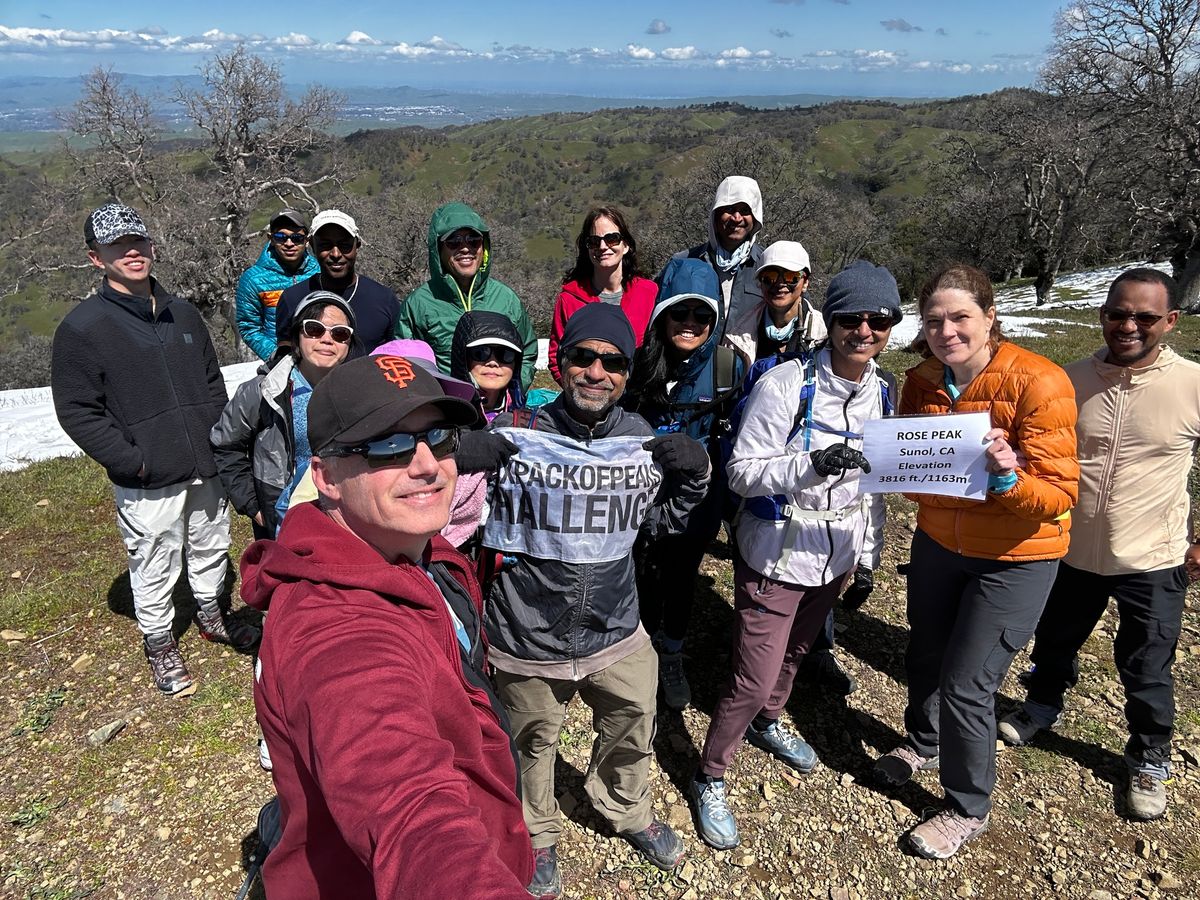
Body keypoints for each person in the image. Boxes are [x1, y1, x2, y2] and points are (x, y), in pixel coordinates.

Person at [241, 353, 534, 898]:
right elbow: (409, 809)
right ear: (325, 477)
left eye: (439, 438)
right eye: (386, 444)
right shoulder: (334, 628)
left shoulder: (411, 543)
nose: (427, 465)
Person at [479, 304, 709, 897]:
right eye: (583, 357)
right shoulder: (522, 432)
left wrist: (697, 476)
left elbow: (658, 527)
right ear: (561, 364)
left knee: (634, 721)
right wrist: (467, 462)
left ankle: (626, 810)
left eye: (612, 362)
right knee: (531, 740)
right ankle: (536, 833)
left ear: (628, 375)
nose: (596, 371)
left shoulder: (637, 439)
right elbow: (461, 519)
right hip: (528, 631)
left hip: (616, 625)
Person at [690, 260, 899, 850]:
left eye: (878, 319)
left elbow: (876, 486)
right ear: (829, 321)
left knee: (796, 656)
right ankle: (711, 772)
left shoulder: (882, 391)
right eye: (851, 318)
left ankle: (769, 722)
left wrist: (870, 556)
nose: (864, 330)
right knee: (752, 678)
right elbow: (741, 471)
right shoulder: (785, 384)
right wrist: (809, 465)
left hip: (833, 559)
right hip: (776, 557)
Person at [872, 263, 1078, 859]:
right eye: (934, 320)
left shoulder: (1040, 383)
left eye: (960, 317)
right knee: (927, 652)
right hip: (939, 545)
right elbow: (916, 480)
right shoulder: (922, 382)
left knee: (968, 683)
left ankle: (967, 805)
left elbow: (1060, 494)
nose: (947, 330)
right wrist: (893, 463)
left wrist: (1009, 478)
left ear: (990, 317)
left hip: (1015, 559)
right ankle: (924, 742)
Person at [998, 267, 1200, 821]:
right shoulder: (1066, 380)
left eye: (1145, 317)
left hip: (1153, 557)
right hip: (1069, 546)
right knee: (1055, 639)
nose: (1128, 325)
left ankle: (1150, 754)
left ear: (1171, 322)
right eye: (1117, 313)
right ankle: (1041, 704)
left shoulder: (1193, 384)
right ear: (1102, 314)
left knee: (1147, 664)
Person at [51, 202, 257, 696]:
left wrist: (218, 436)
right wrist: (132, 461)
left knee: (211, 542)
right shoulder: (82, 329)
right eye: (117, 246)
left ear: (150, 245)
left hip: (205, 461)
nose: (131, 252)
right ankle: (159, 640)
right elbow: (78, 411)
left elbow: (211, 383)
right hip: (147, 475)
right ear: (95, 258)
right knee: (153, 556)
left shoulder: (182, 314)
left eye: (137, 241)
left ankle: (212, 613)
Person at [623, 257, 745, 710]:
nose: (690, 323)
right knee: (638, 566)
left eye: (702, 315)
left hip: (700, 495)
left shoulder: (730, 368)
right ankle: (635, 649)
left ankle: (670, 651)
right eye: (680, 312)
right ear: (662, 314)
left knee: (681, 575)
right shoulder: (639, 364)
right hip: (643, 489)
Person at [211, 291, 355, 541]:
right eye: (314, 329)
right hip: (281, 520)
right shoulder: (262, 391)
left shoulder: (361, 392)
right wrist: (254, 507)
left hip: (345, 519)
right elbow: (225, 446)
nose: (326, 339)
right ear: (297, 336)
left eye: (339, 333)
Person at [396, 201, 538, 388]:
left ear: (484, 246)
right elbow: (403, 362)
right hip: (445, 409)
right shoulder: (418, 304)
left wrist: (514, 392)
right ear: (438, 250)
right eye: (453, 242)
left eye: (473, 240)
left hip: (500, 411)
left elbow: (527, 353)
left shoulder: (507, 299)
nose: (465, 248)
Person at [548, 206, 658, 383]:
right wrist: (580, 393)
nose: (602, 246)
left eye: (612, 239)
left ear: (626, 245)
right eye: (594, 241)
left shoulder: (649, 293)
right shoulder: (569, 299)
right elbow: (556, 357)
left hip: (640, 400)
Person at [274, 210, 400, 358]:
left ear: (357, 245)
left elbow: (397, 358)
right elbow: (285, 359)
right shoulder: (292, 299)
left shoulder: (384, 299)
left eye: (345, 245)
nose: (335, 254)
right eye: (325, 245)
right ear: (313, 247)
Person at [661, 175, 764, 335]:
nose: (737, 218)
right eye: (729, 209)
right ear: (715, 215)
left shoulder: (767, 265)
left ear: (755, 217)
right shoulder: (683, 262)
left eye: (745, 211)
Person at [235, 208, 321, 361]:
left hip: (321, 357)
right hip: (280, 363)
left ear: (307, 240)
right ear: (271, 239)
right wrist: (276, 355)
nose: (289, 243)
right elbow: (249, 327)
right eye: (281, 237)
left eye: (297, 238)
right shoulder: (252, 280)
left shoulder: (320, 272)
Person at [722, 238, 826, 363]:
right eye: (770, 277)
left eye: (791, 276)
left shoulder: (825, 334)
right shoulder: (737, 337)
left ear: (805, 282)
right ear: (760, 282)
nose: (780, 284)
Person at [449, 310, 528, 423]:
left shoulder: (527, 424)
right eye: (480, 353)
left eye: (506, 354)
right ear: (463, 358)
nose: (493, 362)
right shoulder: (444, 420)